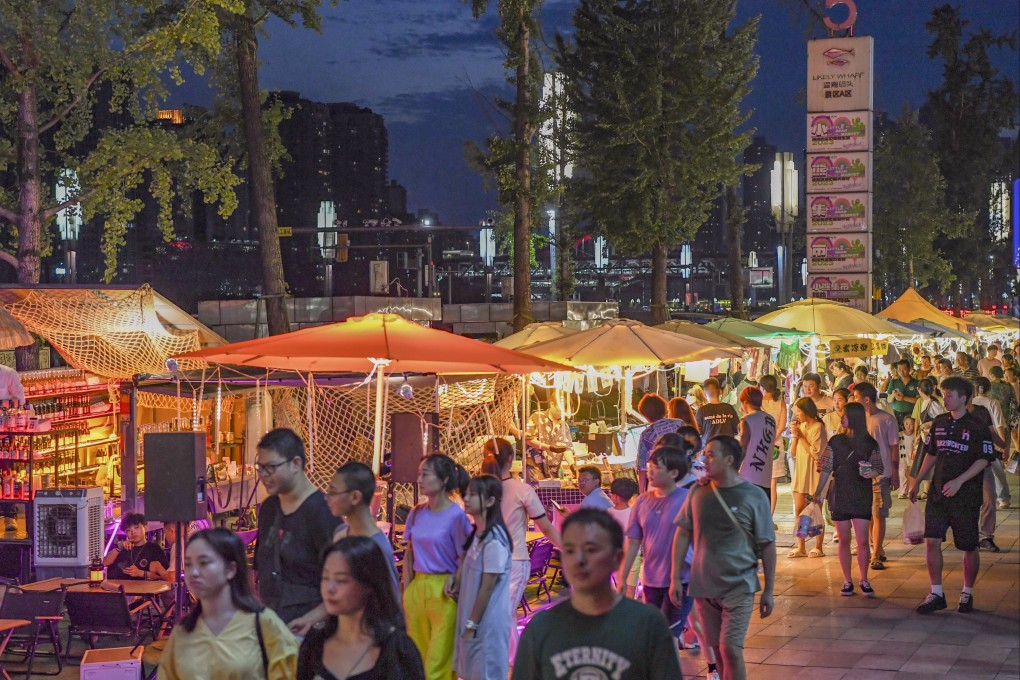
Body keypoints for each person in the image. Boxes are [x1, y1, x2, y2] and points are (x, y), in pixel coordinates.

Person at [512, 509, 682, 680]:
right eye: (570, 550)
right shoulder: (541, 629)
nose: (579, 560)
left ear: (616, 558)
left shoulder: (648, 625)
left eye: (591, 550)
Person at [671, 436, 776, 680]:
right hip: (704, 586)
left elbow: (768, 545)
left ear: (729, 460)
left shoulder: (753, 495)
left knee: (730, 648)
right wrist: (676, 576)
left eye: (710, 454)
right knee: (717, 651)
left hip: (739, 585)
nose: (704, 459)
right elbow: (683, 534)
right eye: (704, 454)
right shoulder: (698, 491)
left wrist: (769, 589)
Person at [158, 528, 297, 680]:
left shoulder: (263, 623)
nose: (194, 572)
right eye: (189, 564)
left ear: (231, 569)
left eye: (204, 562)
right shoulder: (184, 631)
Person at [911, 377, 996, 615]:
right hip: (938, 494)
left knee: (968, 546)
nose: (945, 397)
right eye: (944, 393)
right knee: (932, 541)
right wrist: (916, 482)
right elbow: (931, 453)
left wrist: (960, 480)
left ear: (963, 398)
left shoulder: (977, 425)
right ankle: (936, 592)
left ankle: (967, 592)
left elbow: (984, 459)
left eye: (950, 394)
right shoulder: (938, 422)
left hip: (966, 496)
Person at [289, 461, 401, 636]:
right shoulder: (340, 534)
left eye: (333, 493)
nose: (327, 498)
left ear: (355, 497)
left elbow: (392, 604)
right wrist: (309, 619)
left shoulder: (377, 547)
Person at [479, 437, 561, 662]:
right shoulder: (521, 489)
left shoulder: (479, 489)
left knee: (501, 615)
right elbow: (545, 527)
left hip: (488, 562)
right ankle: (512, 663)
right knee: (503, 615)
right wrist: (568, 549)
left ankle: (511, 663)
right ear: (510, 458)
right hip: (513, 562)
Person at [297, 537, 424, 680]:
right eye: (325, 578)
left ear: (368, 584)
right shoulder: (314, 644)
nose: (330, 588)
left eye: (341, 580)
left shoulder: (398, 651)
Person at [254, 429, 343, 624]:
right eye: (260, 468)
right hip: (275, 623)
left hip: (313, 628)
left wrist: (312, 619)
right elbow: (261, 565)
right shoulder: (270, 507)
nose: (264, 475)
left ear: (296, 464)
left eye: (271, 467)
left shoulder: (323, 511)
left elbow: (346, 582)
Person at [618, 446, 695, 650]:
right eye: (649, 467)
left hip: (682, 580)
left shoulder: (688, 500)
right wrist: (623, 578)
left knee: (669, 638)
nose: (650, 472)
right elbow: (633, 541)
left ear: (673, 472)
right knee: (654, 637)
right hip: (652, 580)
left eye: (656, 468)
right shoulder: (642, 501)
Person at [402, 454, 471, 680]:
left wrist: (456, 580)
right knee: (416, 662)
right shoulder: (416, 512)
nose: (419, 479)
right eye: (419, 473)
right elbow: (409, 553)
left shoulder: (456, 516)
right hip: (417, 590)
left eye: (425, 474)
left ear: (442, 480)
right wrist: (406, 590)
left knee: (438, 666)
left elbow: (466, 556)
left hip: (444, 592)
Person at [810, 403, 883, 598]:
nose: (841, 417)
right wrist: (817, 492)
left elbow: (878, 468)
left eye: (844, 415)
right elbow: (825, 468)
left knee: (862, 541)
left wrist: (870, 472)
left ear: (854, 418)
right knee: (843, 539)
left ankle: (864, 579)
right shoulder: (835, 441)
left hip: (861, 492)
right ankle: (847, 580)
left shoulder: (870, 443)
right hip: (840, 492)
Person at [446, 475, 513, 680]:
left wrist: (471, 624)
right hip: (474, 620)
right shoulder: (478, 534)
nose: (466, 498)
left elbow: (487, 588)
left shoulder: (494, 540)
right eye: (467, 493)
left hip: (487, 623)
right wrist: (456, 578)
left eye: (473, 495)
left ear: (491, 501)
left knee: (485, 673)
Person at [852, 382, 899, 571]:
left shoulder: (887, 419)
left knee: (878, 513)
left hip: (882, 474)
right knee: (868, 515)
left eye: (855, 398)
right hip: (861, 474)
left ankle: (876, 552)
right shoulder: (857, 420)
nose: (854, 401)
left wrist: (895, 473)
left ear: (866, 399)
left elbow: (894, 448)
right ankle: (875, 548)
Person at [789, 397, 827, 558]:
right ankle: (801, 546)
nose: (797, 414)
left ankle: (819, 546)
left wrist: (801, 436)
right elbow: (792, 453)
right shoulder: (802, 427)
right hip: (801, 471)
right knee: (799, 509)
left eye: (798, 411)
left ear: (806, 411)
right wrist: (795, 436)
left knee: (816, 509)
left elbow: (815, 453)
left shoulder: (818, 427)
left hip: (814, 473)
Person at [973, 377, 1011, 528]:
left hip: (975, 443)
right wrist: (1003, 446)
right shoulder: (992, 402)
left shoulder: (970, 403)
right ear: (989, 389)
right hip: (991, 441)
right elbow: (999, 424)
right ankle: (1003, 498)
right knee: (997, 470)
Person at [637, 394, 685, 493]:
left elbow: (642, 468)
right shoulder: (679, 423)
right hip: (683, 475)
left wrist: (641, 493)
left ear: (645, 414)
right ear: (664, 408)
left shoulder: (646, 434)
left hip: (660, 481)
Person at [736, 387, 776, 498]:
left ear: (745, 401)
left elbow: (743, 447)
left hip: (749, 476)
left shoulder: (747, 420)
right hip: (765, 476)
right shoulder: (771, 419)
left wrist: (734, 468)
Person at [104, 512, 168, 580]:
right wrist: (119, 547)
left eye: (136, 527)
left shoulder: (154, 549)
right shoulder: (121, 548)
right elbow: (105, 563)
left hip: (144, 589)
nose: (133, 532)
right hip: (119, 588)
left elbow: (164, 577)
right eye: (128, 530)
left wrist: (141, 573)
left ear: (145, 528)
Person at [759, 375, 788, 518]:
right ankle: (769, 517)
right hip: (776, 445)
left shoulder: (758, 403)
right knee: (772, 483)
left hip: (759, 445)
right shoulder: (781, 403)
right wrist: (772, 439)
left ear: (762, 388)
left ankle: (760, 516)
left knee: (758, 481)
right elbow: (782, 426)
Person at [0, 365, 25, 532]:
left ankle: (10, 516)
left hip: (5, 431)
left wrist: (5, 406)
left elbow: (20, 399)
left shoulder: (8, 373)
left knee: (6, 470)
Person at [607, 477, 640, 598]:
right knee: (630, 591)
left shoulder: (607, 514)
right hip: (633, 557)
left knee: (619, 589)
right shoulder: (636, 513)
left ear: (614, 496)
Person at [521, 404, 573, 481]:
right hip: (535, 468)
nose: (561, 413)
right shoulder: (536, 417)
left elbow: (567, 448)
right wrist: (549, 448)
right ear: (552, 404)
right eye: (559, 410)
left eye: (564, 412)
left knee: (551, 493)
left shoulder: (564, 425)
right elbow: (529, 440)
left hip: (554, 471)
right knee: (535, 492)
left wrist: (572, 465)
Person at [696, 378, 739, 448]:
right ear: (720, 392)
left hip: (709, 452)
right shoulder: (729, 408)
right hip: (728, 450)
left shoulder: (701, 411)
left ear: (704, 394)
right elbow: (737, 429)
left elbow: (697, 432)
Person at [883, 359, 920, 429]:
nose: (901, 372)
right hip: (897, 413)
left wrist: (904, 398)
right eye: (899, 370)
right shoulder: (893, 382)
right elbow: (889, 400)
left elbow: (918, 400)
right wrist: (893, 395)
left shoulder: (916, 382)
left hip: (912, 414)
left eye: (904, 369)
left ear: (909, 369)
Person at [897, 417, 917, 499]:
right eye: (906, 424)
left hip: (912, 459)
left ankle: (910, 491)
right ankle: (902, 491)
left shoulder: (916, 436)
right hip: (902, 459)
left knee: (911, 476)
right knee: (902, 475)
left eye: (911, 424)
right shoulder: (900, 435)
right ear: (903, 424)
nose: (909, 426)